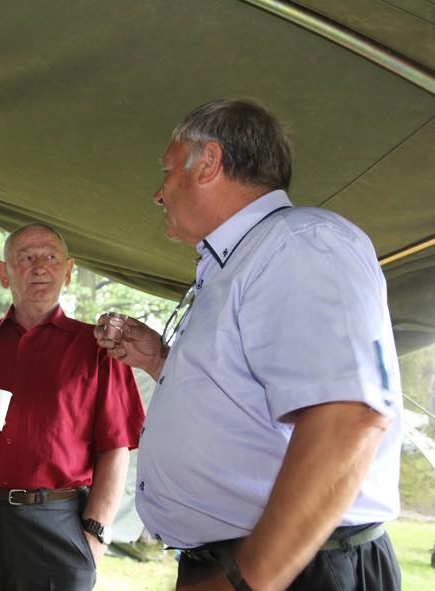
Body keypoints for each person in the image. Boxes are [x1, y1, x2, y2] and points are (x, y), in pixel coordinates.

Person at [96, 98, 403, 590]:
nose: (158, 194)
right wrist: (159, 360)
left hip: (291, 570)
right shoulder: (242, 259)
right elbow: (245, 399)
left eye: (168, 170)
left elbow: (349, 417)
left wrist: (245, 580)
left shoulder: (300, 244)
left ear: (209, 163)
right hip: (254, 566)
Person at [0, 222, 145, 590]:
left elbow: (115, 450)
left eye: (51, 257)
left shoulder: (97, 351)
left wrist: (95, 533)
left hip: (57, 522)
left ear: (69, 271)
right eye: (26, 257)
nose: (39, 267)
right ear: (3, 273)